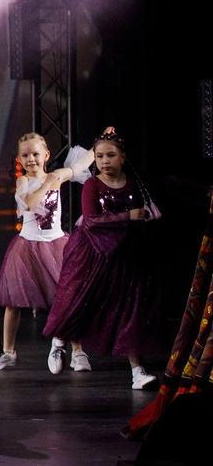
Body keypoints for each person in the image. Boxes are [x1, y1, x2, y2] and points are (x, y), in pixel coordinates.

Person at [44, 128, 169, 389]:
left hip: (123, 253)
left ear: (123, 157)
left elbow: (168, 182)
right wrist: (127, 216)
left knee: (129, 310)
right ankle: (59, 341)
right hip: (91, 253)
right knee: (78, 301)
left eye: (110, 155)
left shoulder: (133, 183)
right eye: (99, 156)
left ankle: (137, 371)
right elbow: (91, 221)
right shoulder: (93, 184)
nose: (104, 161)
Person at [0, 133, 90, 370]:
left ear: (46, 155)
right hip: (27, 247)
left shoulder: (56, 176)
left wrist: (100, 143)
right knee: (14, 301)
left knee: (68, 298)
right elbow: (29, 203)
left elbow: (81, 164)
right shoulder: (23, 181)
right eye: (25, 155)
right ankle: (9, 352)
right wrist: (48, 181)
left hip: (56, 244)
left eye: (35, 154)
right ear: (19, 159)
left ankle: (77, 352)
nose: (30, 159)